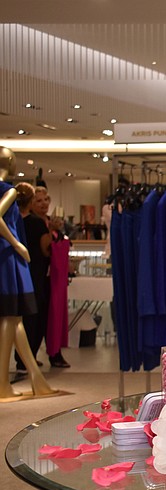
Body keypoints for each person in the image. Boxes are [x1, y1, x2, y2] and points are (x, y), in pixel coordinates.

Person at [0, 147, 56, 398]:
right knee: (11, 317)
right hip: (10, 257)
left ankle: (35, 378)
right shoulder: (9, 190)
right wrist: (17, 244)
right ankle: (3, 383)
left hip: (8, 257)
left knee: (16, 319)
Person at [14, 183, 51, 374]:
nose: (43, 204)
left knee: (20, 317)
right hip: (35, 274)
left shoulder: (13, 221)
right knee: (35, 318)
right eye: (38, 200)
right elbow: (46, 250)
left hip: (18, 274)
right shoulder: (36, 224)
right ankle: (26, 359)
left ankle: (22, 359)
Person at [46, 195, 71, 368]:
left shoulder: (53, 230)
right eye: (38, 201)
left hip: (57, 279)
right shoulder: (42, 227)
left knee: (57, 315)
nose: (44, 204)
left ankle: (55, 352)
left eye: (45, 200)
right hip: (48, 279)